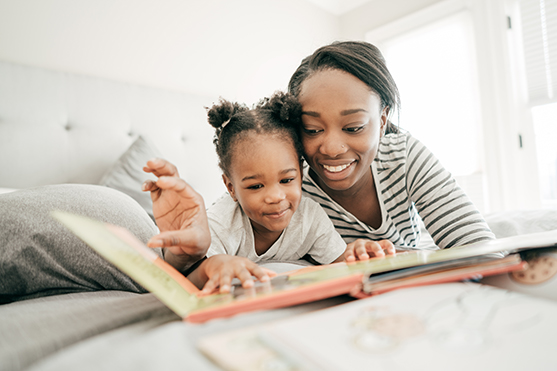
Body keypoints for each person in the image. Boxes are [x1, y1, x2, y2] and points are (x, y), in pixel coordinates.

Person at [143, 91, 395, 278]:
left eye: (287, 180)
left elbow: (339, 261)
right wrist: (211, 267)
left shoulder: (311, 217)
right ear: (231, 188)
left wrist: (357, 252)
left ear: (301, 173)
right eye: (255, 186)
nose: (275, 196)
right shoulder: (221, 223)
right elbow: (189, 275)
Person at [287, 40, 495, 249]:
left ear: (382, 121)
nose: (331, 149)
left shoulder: (404, 157)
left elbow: (478, 246)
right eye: (311, 129)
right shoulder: (289, 182)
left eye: (353, 127)